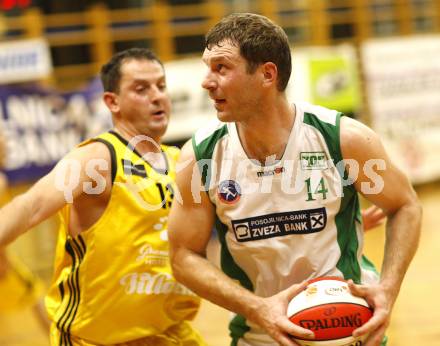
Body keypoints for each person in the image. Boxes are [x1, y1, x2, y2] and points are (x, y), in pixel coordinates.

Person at [167, 13, 422, 346]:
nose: (206, 81)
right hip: (257, 335)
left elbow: (406, 205)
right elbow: (183, 255)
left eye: (221, 68)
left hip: (350, 330)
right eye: (207, 67)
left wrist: (388, 289)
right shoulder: (200, 156)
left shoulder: (342, 139)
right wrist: (257, 308)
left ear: (267, 74)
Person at [0, 48, 205, 346]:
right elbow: (29, 206)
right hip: (98, 340)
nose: (157, 96)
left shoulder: (181, 162)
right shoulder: (98, 157)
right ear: (113, 102)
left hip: (171, 334)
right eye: (141, 89)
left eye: (161, 86)